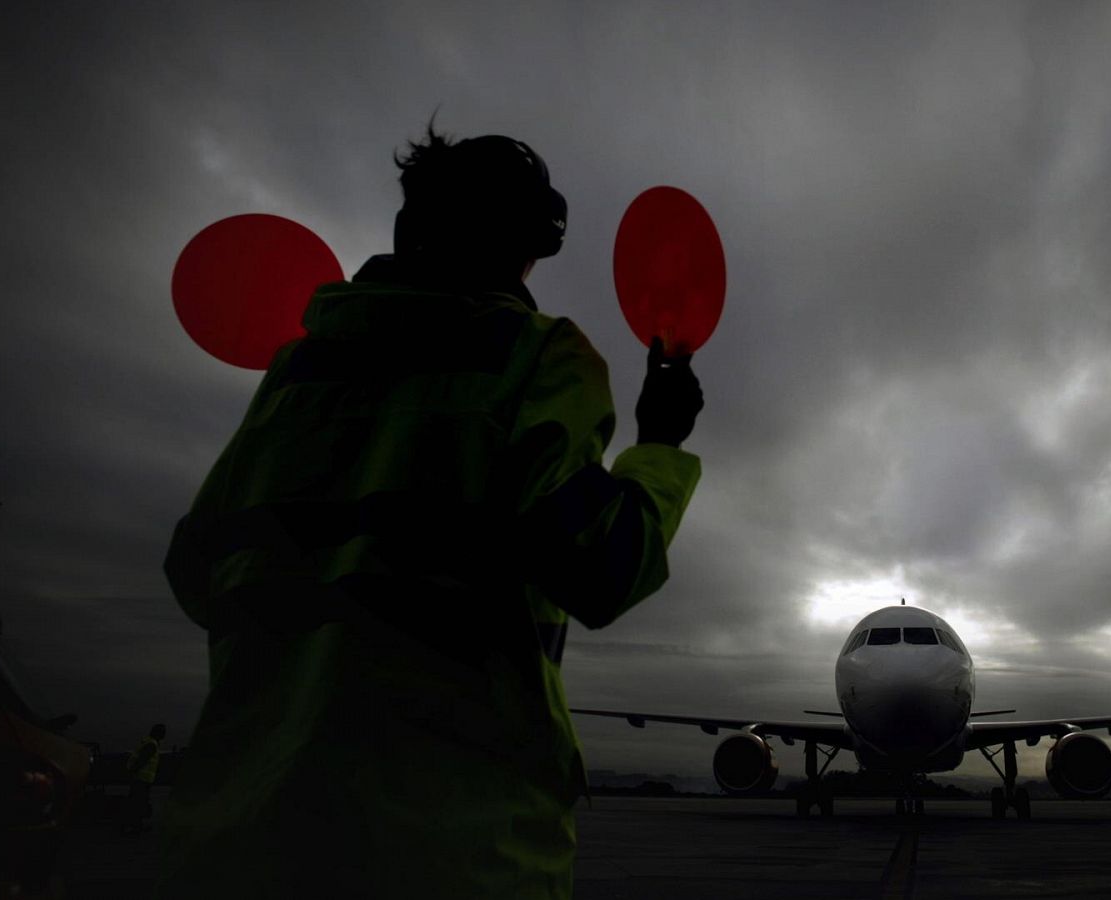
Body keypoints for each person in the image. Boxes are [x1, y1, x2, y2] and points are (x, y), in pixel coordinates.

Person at [158, 126, 704, 898]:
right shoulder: (536, 354)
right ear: (531, 244)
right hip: (454, 852)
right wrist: (660, 447)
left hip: (236, 846)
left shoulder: (295, 372)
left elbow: (194, 571)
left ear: (409, 228)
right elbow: (603, 567)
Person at [120, 723, 165, 835]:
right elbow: (141, 761)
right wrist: (133, 772)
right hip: (142, 779)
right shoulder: (151, 745)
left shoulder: (147, 742)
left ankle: (133, 826)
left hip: (140, 778)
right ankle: (134, 827)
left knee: (136, 802)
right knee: (138, 803)